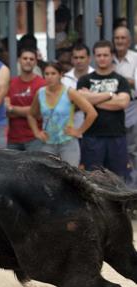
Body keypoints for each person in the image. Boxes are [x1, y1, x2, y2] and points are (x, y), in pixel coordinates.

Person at [77, 40, 131, 178]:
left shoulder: (121, 80)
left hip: (116, 136)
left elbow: (123, 103)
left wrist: (91, 98)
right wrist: (111, 96)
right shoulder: (84, 80)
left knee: (118, 181)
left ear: (112, 56)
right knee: (93, 181)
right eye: (99, 55)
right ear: (94, 57)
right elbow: (81, 101)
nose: (102, 58)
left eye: (105, 55)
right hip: (92, 137)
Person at [27, 62, 98, 167]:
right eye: (47, 74)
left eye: (53, 73)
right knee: (48, 178)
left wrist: (78, 131)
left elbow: (92, 113)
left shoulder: (69, 92)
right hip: (48, 143)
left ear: (60, 75)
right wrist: (37, 132)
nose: (50, 77)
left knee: (69, 178)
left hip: (68, 143)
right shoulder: (40, 93)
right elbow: (31, 114)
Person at [5, 48, 46, 151]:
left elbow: (38, 112)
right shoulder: (11, 83)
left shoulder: (42, 84)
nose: (28, 61)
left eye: (31, 59)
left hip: (34, 139)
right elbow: (5, 110)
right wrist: (29, 111)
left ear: (36, 62)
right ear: (19, 60)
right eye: (25, 58)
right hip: (13, 139)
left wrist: (12, 109)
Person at [112, 26, 137, 187]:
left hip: (132, 108)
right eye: (117, 38)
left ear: (129, 40)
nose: (120, 41)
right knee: (115, 150)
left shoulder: (135, 58)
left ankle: (133, 188)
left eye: (123, 38)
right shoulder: (107, 57)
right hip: (110, 109)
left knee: (132, 150)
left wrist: (118, 79)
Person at [61, 44, 95, 130]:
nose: (78, 61)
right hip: (72, 130)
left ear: (89, 59)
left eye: (82, 57)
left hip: (94, 131)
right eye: (76, 58)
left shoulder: (97, 76)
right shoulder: (64, 80)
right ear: (72, 60)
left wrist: (75, 102)